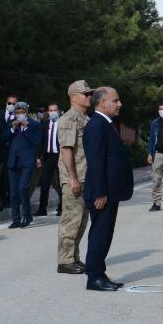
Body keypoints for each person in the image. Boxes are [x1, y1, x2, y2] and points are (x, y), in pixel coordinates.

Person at [83, 85, 133, 290]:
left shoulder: (105, 124)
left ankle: (99, 273)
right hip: (102, 193)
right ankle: (94, 277)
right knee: (100, 233)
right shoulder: (96, 125)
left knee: (105, 233)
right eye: (116, 100)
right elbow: (95, 161)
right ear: (103, 102)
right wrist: (100, 191)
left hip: (109, 191)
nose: (119, 104)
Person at [55, 80, 92, 275]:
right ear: (73, 97)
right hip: (74, 177)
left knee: (81, 221)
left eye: (89, 94)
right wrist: (73, 178)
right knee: (71, 220)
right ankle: (65, 261)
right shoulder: (69, 119)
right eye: (85, 94)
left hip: (85, 175)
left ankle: (74, 258)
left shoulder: (85, 119)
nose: (89, 97)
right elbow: (67, 150)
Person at [5, 102, 43, 228]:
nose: (19, 114)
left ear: (26, 112)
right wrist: (12, 129)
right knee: (14, 191)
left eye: (22, 112)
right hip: (13, 161)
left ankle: (26, 215)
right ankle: (16, 219)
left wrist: (26, 128)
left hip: (27, 162)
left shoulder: (34, 125)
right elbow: (2, 139)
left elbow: (37, 142)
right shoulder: (11, 123)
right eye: (17, 112)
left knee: (23, 189)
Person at [35, 103, 63, 217]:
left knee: (61, 183)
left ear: (58, 111)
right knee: (45, 183)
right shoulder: (44, 125)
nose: (53, 112)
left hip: (60, 156)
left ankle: (62, 207)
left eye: (54, 110)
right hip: (47, 156)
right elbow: (41, 142)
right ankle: (42, 209)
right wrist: (38, 157)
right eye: (51, 110)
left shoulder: (62, 124)